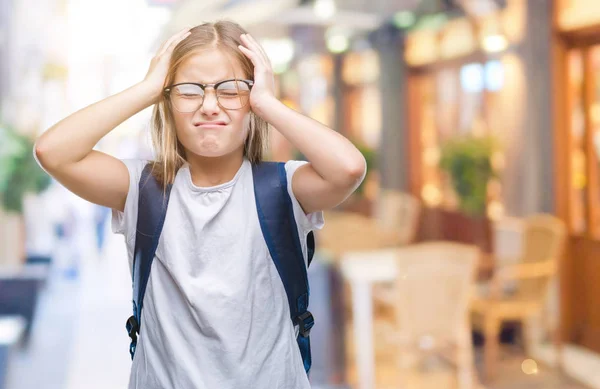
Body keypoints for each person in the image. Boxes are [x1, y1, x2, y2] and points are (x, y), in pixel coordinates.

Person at [33, 21, 366, 389]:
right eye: (190, 91)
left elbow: (348, 168)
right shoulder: (141, 188)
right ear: (168, 100)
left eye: (230, 89)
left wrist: (268, 103)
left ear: (252, 100)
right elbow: (53, 151)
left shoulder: (284, 187)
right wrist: (146, 89)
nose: (210, 106)